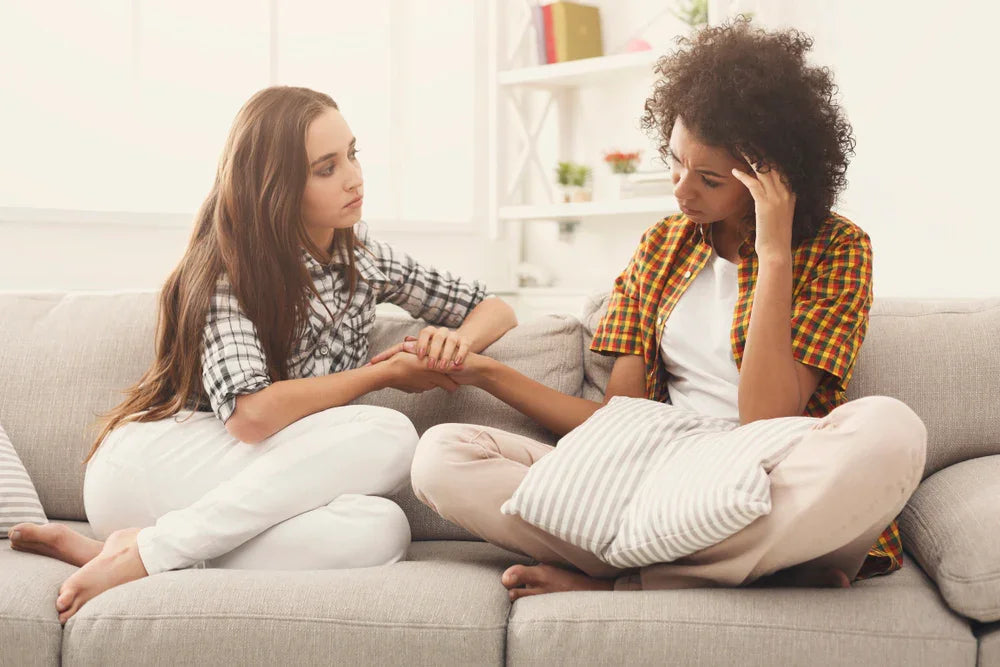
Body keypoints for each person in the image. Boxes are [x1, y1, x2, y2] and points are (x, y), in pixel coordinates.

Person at [398, 20, 926, 600]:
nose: (680, 190)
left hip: (771, 468)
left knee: (892, 429)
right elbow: (619, 424)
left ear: (771, 178)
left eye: (707, 180)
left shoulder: (838, 247)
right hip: (661, 474)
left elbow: (767, 418)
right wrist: (485, 371)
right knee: (441, 457)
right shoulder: (661, 246)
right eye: (674, 162)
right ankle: (736, 569)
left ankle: (632, 578)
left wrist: (775, 253)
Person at [7, 86, 516, 623]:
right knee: (389, 433)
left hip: (228, 491)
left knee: (381, 530)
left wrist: (455, 343)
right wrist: (380, 376)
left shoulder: (363, 257)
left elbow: (493, 308)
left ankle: (142, 549)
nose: (353, 176)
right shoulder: (225, 269)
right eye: (326, 167)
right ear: (275, 185)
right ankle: (150, 552)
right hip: (154, 466)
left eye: (352, 154)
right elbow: (251, 416)